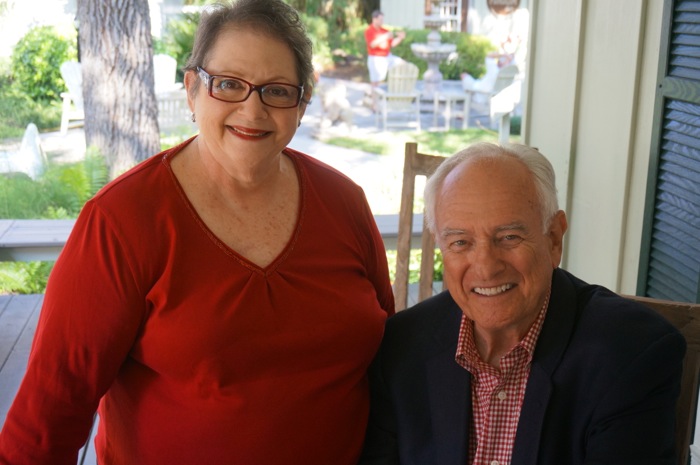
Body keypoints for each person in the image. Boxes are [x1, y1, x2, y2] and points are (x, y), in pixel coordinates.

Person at [0, 1, 394, 464]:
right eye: (228, 84)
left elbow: (389, 357)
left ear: (301, 106)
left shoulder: (345, 202)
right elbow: (45, 422)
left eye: (278, 91)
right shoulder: (122, 222)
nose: (253, 108)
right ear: (192, 91)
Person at [360, 143, 686, 464]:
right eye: (461, 242)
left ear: (554, 239)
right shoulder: (401, 347)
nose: (486, 266)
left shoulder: (630, 354)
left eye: (509, 237)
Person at [364, 10, 405, 109]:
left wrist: (400, 38)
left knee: (403, 65)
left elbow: (392, 44)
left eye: (383, 19)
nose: (382, 21)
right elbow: (372, 44)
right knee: (376, 82)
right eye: (380, 19)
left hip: (387, 57)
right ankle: (375, 105)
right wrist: (385, 36)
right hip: (376, 58)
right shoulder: (369, 30)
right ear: (374, 19)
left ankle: (397, 95)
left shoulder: (385, 30)